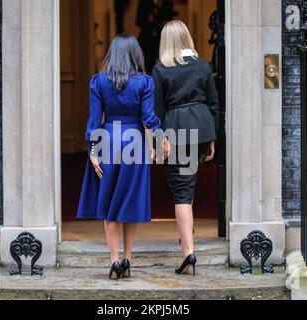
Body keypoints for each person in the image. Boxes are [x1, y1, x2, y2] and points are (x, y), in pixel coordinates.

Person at [77, 34, 170, 281]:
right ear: (135, 55)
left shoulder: (98, 82)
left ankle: (114, 260)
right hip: (134, 142)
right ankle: (128, 258)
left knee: (110, 204)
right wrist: (161, 137)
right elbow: (148, 117)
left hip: (108, 139)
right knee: (129, 202)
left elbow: (96, 121)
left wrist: (93, 151)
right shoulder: (145, 82)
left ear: (112, 54)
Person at [152, 20, 219, 276]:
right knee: (187, 184)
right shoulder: (203, 66)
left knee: (181, 191)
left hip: (175, 130)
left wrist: (158, 141)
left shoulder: (161, 70)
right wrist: (212, 138)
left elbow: (156, 110)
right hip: (201, 128)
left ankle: (188, 252)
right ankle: (187, 237)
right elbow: (213, 104)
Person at [136, 0, 177, 74]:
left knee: (165, 64)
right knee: (149, 66)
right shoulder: (144, 2)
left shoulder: (168, 3)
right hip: (147, 39)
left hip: (163, 39)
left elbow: (170, 21)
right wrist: (147, 19)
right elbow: (138, 22)